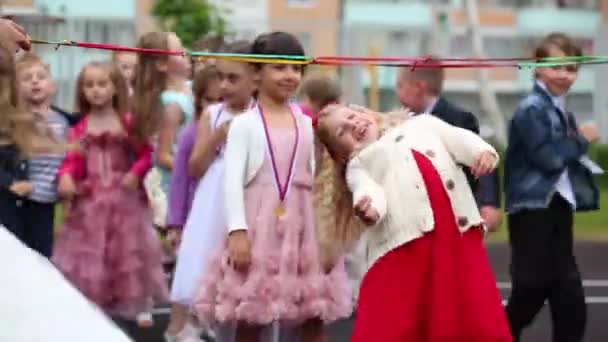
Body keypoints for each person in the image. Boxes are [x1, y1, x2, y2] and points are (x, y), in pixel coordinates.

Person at [194, 32, 351, 342]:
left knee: (312, 313)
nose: (289, 76)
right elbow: (232, 182)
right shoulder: (245, 124)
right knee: (252, 313)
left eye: (295, 69)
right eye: (279, 68)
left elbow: (320, 176)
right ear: (256, 73)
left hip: (304, 228)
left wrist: (329, 230)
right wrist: (237, 232)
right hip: (258, 227)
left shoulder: (308, 123)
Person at [315, 103, 512, 342]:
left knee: (470, 313)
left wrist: (482, 153)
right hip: (407, 251)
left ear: (366, 112)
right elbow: (366, 190)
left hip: (455, 239)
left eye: (352, 116)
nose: (353, 124)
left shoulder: (422, 123)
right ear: (341, 154)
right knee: (404, 322)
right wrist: (369, 208)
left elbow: (459, 138)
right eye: (342, 132)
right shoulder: (360, 163)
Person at [52, 61, 168, 322]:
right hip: (91, 200)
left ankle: (136, 302)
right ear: (82, 91)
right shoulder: (80, 128)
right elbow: (72, 159)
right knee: (93, 255)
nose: (96, 90)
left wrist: (134, 173)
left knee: (128, 253)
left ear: (115, 88)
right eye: (89, 85)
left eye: (102, 84)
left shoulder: (126, 123)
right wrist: (67, 177)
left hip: (123, 199)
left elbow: (146, 154)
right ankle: (96, 307)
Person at [504, 32, 600, 342]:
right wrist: (582, 139)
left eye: (571, 68)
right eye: (557, 66)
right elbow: (549, 158)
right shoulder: (531, 108)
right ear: (538, 68)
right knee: (531, 289)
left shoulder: (562, 111)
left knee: (568, 297)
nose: (564, 74)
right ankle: (498, 332)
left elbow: (564, 158)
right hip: (532, 210)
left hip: (556, 206)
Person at [165, 41, 255, 342]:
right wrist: (220, 134)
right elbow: (194, 167)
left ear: (254, 78)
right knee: (205, 263)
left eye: (233, 78)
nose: (224, 86)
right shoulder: (213, 115)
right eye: (220, 77)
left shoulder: (260, 114)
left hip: (249, 194)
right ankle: (194, 327)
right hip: (214, 196)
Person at [396, 65, 502, 231]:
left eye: (400, 86)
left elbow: (478, 156)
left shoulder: (457, 119)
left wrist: (489, 203)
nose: (398, 93)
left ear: (418, 87)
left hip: (453, 215)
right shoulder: (400, 122)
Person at [134, 31, 193, 234]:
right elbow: (162, 156)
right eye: (178, 51)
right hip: (176, 185)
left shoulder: (191, 89)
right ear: (161, 64)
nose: (186, 52)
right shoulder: (172, 104)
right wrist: (194, 168)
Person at [14, 52, 69, 257]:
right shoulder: (16, 121)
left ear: (52, 86)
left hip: (48, 200)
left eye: (40, 77)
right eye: (27, 79)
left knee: (42, 254)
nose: (35, 82)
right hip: (21, 199)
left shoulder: (62, 122)